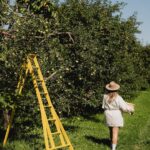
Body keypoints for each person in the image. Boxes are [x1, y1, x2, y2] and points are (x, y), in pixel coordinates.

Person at [102, 81, 135, 150]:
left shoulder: (105, 97)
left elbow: (103, 107)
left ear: (108, 89)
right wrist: (131, 109)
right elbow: (124, 108)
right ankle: (113, 148)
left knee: (111, 130)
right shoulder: (118, 97)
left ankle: (111, 143)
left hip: (108, 115)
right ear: (116, 89)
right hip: (116, 116)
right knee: (115, 133)